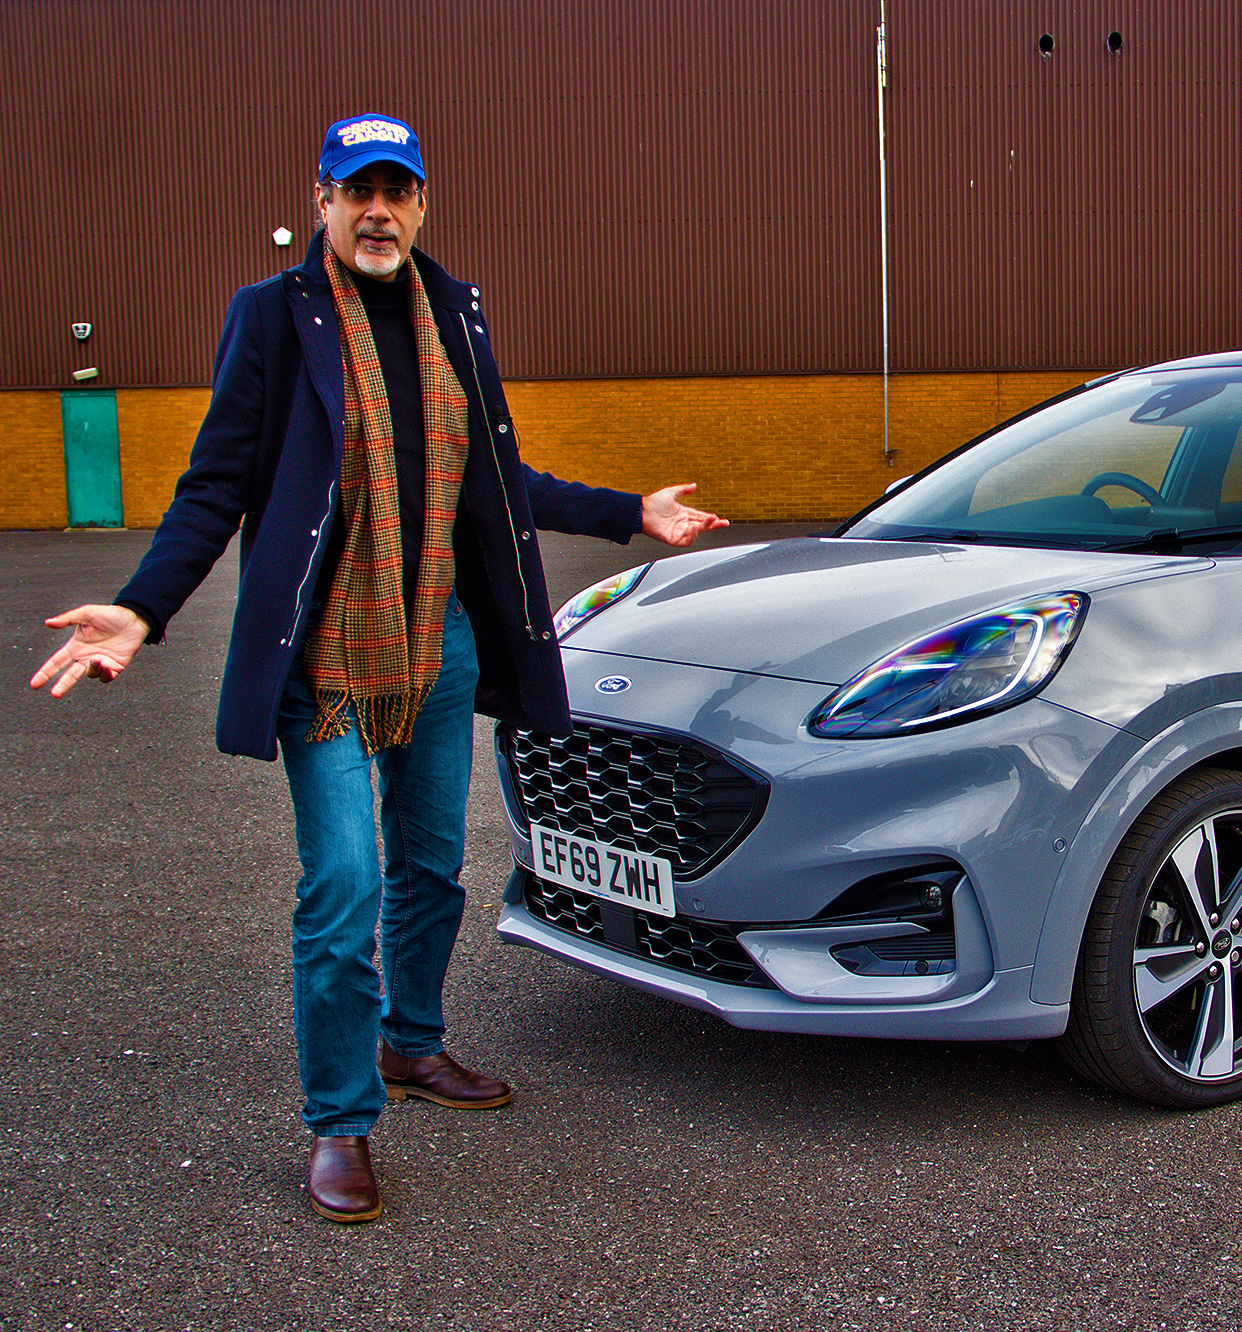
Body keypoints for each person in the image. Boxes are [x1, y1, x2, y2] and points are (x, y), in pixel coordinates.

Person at [29, 112, 726, 1224]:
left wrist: (627, 512)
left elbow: (494, 475)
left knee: (432, 867)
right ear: (322, 200)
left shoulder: (454, 314)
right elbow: (217, 485)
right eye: (358, 191)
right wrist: (140, 609)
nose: (378, 212)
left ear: (421, 205)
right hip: (327, 654)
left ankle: (412, 1043)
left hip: (439, 642)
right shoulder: (272, 316)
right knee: (344, 884)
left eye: (397, 192)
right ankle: (341, 1119)